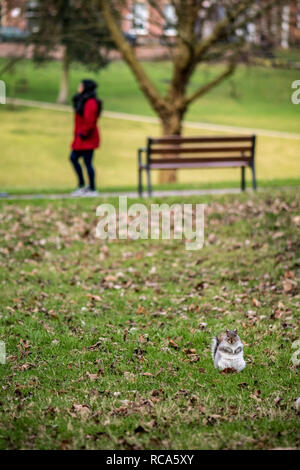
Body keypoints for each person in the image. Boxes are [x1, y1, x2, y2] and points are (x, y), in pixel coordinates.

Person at [70, 79, 102, 196]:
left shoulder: (90, 102)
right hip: (80, 138)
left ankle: (92, 188)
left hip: (87, 138)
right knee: (74, 158)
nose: (78, 87)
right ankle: (82, 185)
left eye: (81, 86)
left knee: (87, 163)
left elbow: (90, 121)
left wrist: (83, 134)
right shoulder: (83, 100)